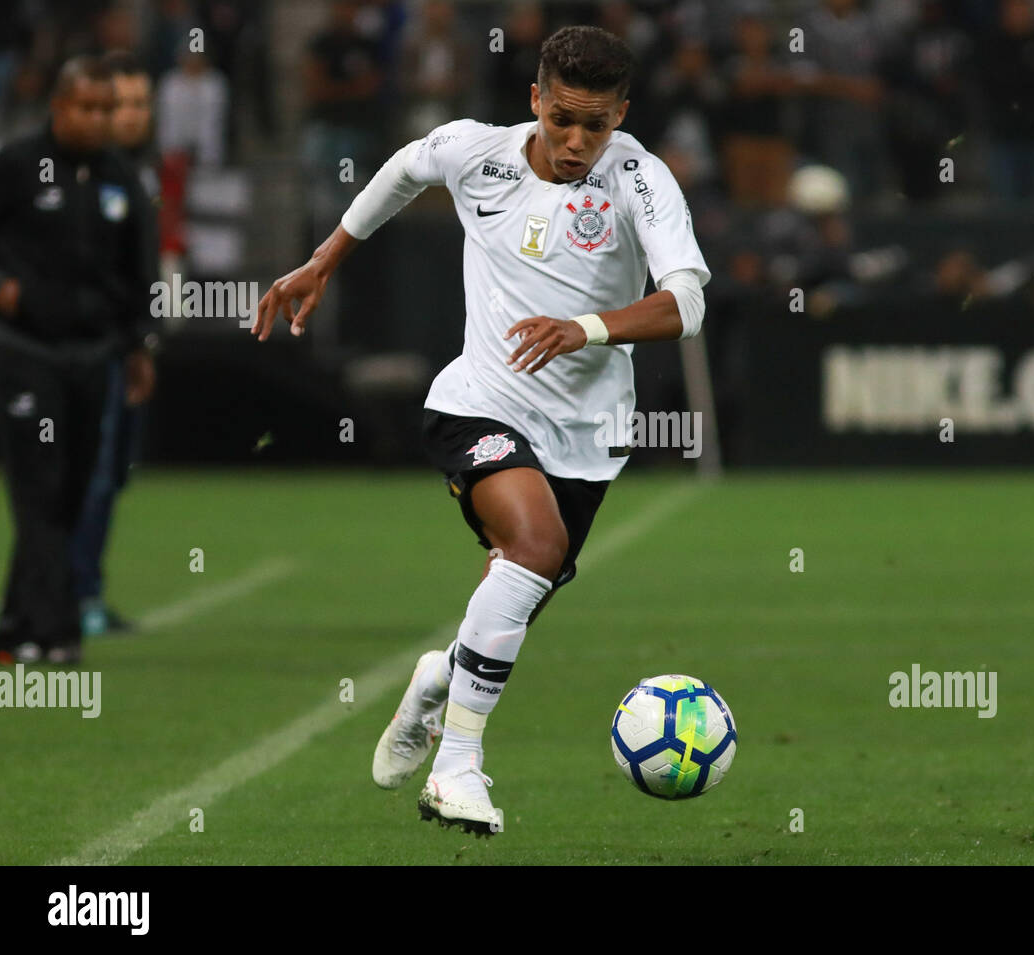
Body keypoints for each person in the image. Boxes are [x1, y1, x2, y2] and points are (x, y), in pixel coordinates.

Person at [253, 25, 710, 836]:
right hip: (478, 401)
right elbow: (401, 169)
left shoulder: (640, 178)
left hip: (589, 435)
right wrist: (324, 258)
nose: (576, 141)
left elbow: (686, 302)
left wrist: (588, 327)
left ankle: (440, 676)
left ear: (621, 115)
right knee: (534, 547)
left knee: (524, 582)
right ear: (534, 99)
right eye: (562, 118)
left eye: (596, 125)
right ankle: (457, 767)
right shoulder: (478, 152)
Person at [0, 57, 156, 666]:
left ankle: (17, 624)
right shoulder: (16, 164)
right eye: (85, 108)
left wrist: (142, 345)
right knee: (38, 486)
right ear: (59, 106)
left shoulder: (121, 179)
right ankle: (57, 630)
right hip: (27, 352)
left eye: (104, 109)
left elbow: (140, 269)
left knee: (72, 488)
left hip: (95, 355)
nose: (96, 120)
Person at [70, 50, 161, 637]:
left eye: (138, 104)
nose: (128, 116)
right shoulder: (86, 173)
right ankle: (78, 595)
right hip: (85, 347)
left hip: (127, 343)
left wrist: (144, 341)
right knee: (93, 472)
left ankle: (85, 587)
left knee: (116, 471)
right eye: (118, 104)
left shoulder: (138, 173)